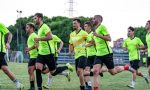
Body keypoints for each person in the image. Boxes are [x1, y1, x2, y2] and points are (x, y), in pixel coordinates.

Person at [92, 15, 134, 90]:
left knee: (113, 72)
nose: (92, 20)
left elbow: (109, 39)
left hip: (107, 53)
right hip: (98, 54)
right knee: (95, 71)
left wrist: (97, 35)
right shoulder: (95, 29)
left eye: (94, 18)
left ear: (98, 19)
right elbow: (96, 42)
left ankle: (125, 67)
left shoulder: (102, 27)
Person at [33, 13, 73, 90]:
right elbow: (41, 41)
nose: (34, 20)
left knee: (53, 72)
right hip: (41, 53)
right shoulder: (39, 29)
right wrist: (37, 44)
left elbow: (50, 37)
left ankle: (66, 67)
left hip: (49, 53)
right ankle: (39, 88)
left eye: (35, 18)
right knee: (38, 69)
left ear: (40, 18)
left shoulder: (45, 26)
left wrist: (39, 39)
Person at [0, 22, 24, 89]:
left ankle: (18, 84)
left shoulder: (0, 24)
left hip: (0, 51)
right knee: (5, 69)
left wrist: (8, 43)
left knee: (5, 69)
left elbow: (10, 34)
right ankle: (18, 85)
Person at [69, 18, 88, 90]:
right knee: (78, 73)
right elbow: (71, 43)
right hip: (76, 55)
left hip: (83, 54)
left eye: (75, 23)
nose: (73, 24)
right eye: (73, 23)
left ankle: (82, 87)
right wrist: (70, 51)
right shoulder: (72, 34)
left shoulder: (84, 33)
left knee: (80, 70)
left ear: (79, 24)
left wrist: (86, 46)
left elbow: (91, 41)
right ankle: (89, 77)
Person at [25, 23, 38, 90]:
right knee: (30, 71)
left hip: (36, 56)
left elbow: (37, 44)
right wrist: (28, 51)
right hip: (32, 56)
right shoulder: (30, 36)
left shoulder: (34, 35)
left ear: (31, 28)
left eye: (27, 27)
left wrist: (29, 49)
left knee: (45, 71)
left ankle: (55, 69)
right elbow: (32, 46)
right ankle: (32, 87)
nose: (26, 29)